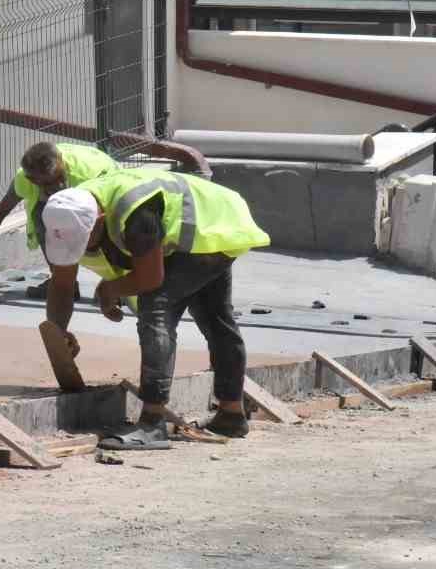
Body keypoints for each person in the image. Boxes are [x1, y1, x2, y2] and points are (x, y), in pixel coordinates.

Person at [38, 169, 270, 450]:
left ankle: (152, 422)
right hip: (203, 224)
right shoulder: (65, 213)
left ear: (99, 219)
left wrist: (111, 289)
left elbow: (150, 279)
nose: (81, 249)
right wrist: (58, 332)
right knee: (214, 315)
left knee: (156, 307)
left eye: (84, 240)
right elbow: (62, 282)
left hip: (216, 220)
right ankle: (231, 414)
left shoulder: (136, 215)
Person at [0, 140, 210, 288]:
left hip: (111, 210)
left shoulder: (92, 169)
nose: (50, 188)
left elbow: (122, 206)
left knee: (118, 244)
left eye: (54, 181)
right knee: (46, 215)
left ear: (62, 166)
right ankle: (63, 281)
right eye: (41, 184)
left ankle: (128, 280)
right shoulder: (25, 179)